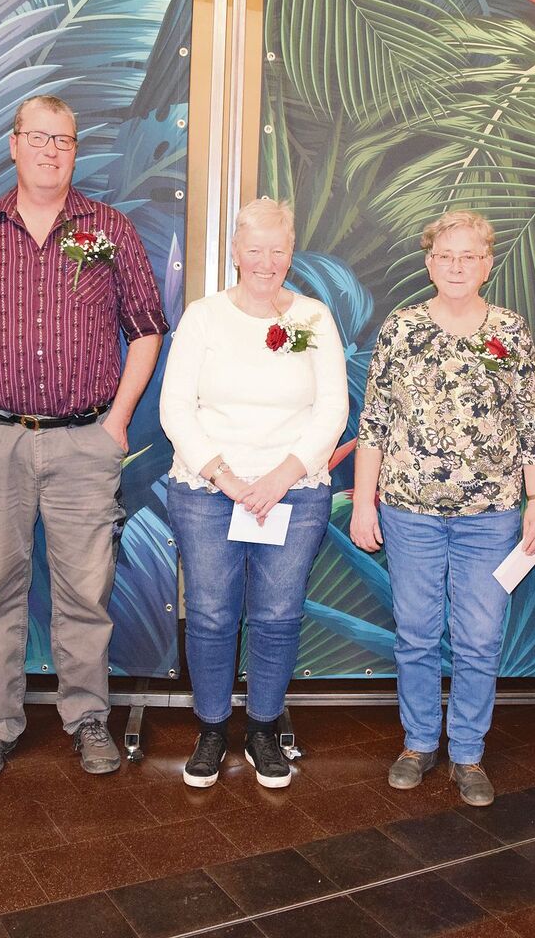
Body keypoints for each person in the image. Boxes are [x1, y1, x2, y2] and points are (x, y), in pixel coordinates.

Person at [0, 95, 168, 780]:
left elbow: (147, 329)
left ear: (76, 151)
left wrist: (117, 421)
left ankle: (87, 719)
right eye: (38, 136)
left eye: (64, 139)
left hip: (85, 441)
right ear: (13, 144)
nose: (51, 150)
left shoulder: (109, 227)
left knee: (85, 593)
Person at [350, 210, 535, 807]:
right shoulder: (402, 327)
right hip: (408, 512)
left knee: (480, 637)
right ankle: (417, 744)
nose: (457, 266)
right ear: (429, 262)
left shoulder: (510, 330)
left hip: (491, 514)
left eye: (469, 256)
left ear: (488, 264)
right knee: (415, 633)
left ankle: (467, 751)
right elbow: (374, 421)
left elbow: (530, 423)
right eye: (445, 256)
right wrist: (363, 503)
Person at [160, 199, 348, 788]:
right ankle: (212, 728)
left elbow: (333, 410)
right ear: (236, 253)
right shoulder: (203, 317)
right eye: (256, 249)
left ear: (291, 254)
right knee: (211, 613)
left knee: (277, 615)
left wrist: (278, 479)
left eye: (278, 250)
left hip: (294, 490)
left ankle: (263, 727)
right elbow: (175, 409)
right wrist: (229, 479)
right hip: (207, 490)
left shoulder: (314, 317)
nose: (267, 262)